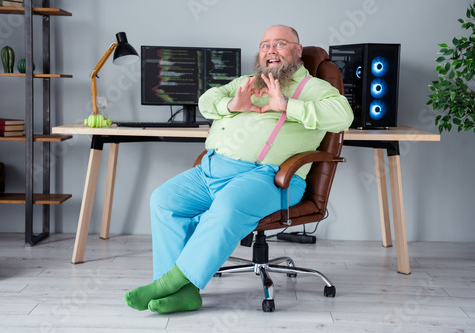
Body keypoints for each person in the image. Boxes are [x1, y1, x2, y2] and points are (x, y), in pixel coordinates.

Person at [124, 24, 354, 314]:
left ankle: (169, 284)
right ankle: (184, 294)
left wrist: (287, 105)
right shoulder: (247, 82)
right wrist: (232, 104)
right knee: (164, 199)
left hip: (270, 178)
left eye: (280, 43)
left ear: (297, 52)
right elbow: (207, 101)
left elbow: (343, 117)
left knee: (228, 205)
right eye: (265, 45)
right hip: (212, 170)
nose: (271, 49)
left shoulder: (315, 89)